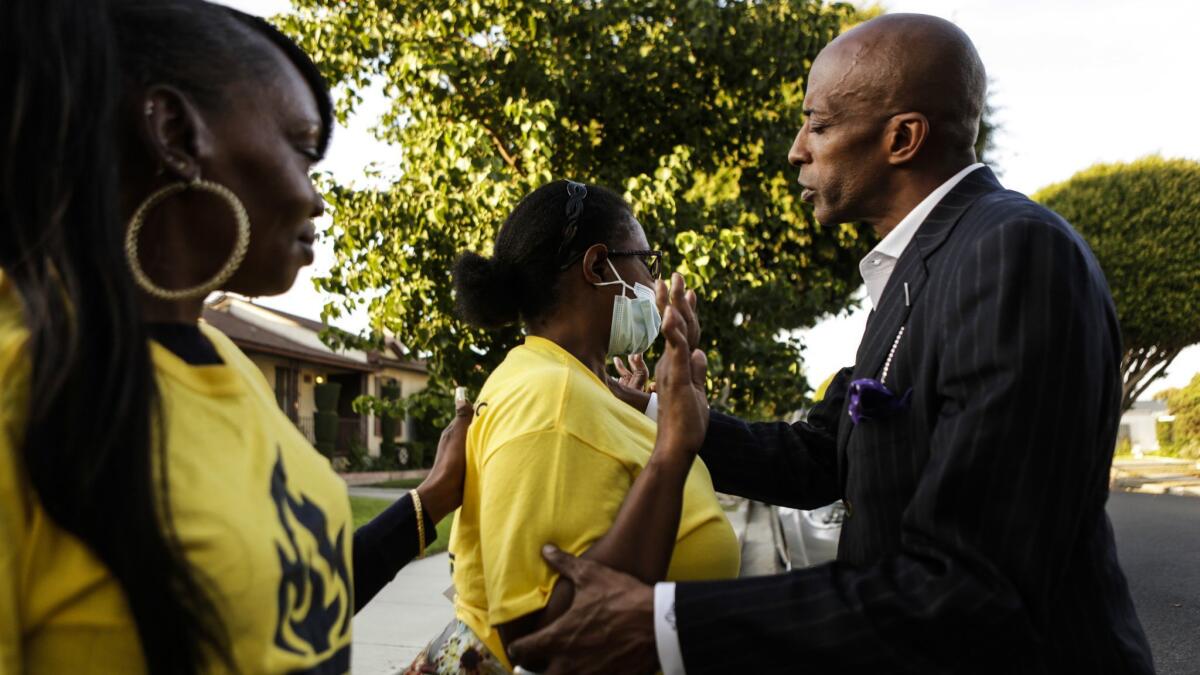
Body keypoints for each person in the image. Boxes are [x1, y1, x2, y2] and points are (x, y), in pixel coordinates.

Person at [507, 13, 1155, 675]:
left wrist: (665, 624)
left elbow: (970, 585)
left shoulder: (1014, 254)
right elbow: (821, 455)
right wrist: (663, 415)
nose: (796, 150)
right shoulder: (917, 270)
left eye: (817, 124)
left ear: (902, 137)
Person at [0, 1, 468, 673]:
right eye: (305, 150)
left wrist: (429, 501)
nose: (317, 198)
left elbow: (292, 603)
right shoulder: (23, 377)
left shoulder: (229, 365)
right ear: (174, 133)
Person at [405, 181, 739, 673]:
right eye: (649, 263)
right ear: (598, 265)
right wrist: (672, 450)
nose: (654, 283)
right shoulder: (550, 398)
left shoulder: (575, 385)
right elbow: (543, 636)